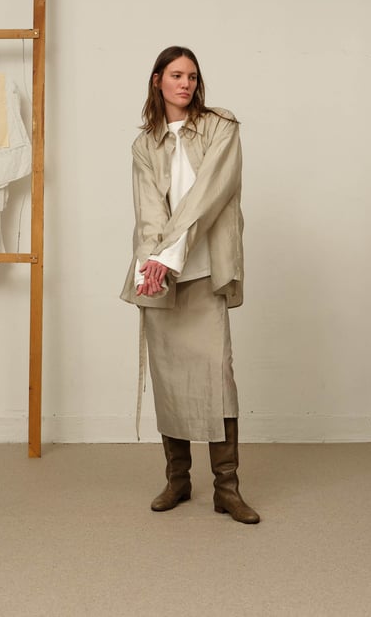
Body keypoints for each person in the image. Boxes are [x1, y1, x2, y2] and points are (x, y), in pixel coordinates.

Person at [121, 45, 259, 524]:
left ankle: (227, 488)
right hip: (159, 275)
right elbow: (147, 212)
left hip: (203, 269)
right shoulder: (144, 145)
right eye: (177, 75)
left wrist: (169, 255)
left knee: (218, 378)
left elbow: (209, 195)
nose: (186, 84)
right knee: (168, 378)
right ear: (157, 80)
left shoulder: (222, 126)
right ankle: (177, 480)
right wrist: (152, 261)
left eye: (193, 76)